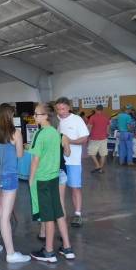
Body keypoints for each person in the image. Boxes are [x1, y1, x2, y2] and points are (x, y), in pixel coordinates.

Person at [0, 103, 30, 263]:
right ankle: (10, 254)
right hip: (9, 176)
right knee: (5, 215)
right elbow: (19, 154)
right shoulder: (15, 133)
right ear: (10, 116)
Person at [28, 103, 75, 263]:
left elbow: (35, 159)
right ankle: (67, 248)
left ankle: (48, 252)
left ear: (46, 116)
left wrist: (30, 179)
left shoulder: (40, 134)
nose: (34, 117)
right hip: (55, 178)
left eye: (37, 114)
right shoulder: (56, 133)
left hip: (42, 179)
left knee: (48, 216)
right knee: (58, 212)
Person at [55, 97, 90, 228]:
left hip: (73, 161)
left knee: (75, 187)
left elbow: (84, 139)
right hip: (60, 161)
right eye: (58, 109)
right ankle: (60, 214)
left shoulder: (77, 120)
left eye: (63, 108)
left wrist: (69, 141)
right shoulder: (58, 121)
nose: (61, 111)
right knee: (59, 190)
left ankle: (78, 214)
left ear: (69, 107)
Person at [87, 105, 111, 174]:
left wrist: (88, 135)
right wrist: (106, 134)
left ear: (96, 109)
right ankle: (100, 169)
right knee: (103, 154)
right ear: (102, 110)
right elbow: (108, 128)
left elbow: (90, 127)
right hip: (103, 138)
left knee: (91, 153)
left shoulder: (92, 117)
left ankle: (97, 166)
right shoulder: (106, 117)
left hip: (94, 138)